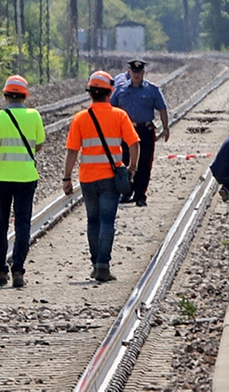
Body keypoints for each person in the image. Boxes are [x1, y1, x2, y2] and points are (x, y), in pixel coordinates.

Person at [62, 70, 140, 282]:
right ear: (110, 92)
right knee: (107, 220)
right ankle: (103, 266)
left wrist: (66, 178)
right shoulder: (120, 115)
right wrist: (132, 167)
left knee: (93, 221)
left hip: (87, 178)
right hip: (110, 178)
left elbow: (72, 150)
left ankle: (95, 263)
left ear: (90, 94)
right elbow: (134, 144)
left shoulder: (79, 118)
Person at [0, 75, 46, 288]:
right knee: (23, 223)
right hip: (26, 177)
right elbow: (39, 146)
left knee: (1, 224)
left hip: (2, 177)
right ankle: (18, 270)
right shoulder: (34, 116)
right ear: (25, 96)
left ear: (5, 95)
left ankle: (0, 270)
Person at [109, 58, 170, 206]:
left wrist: (165, 127)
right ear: (129, 72)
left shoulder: (152, 89)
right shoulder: (121, 89)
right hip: (126, 130)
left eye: (139, 72)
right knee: (124, 161)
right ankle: (126, 192)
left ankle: (140, 194)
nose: (136, 75)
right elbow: (111, 109)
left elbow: (162, 108)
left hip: (145, 130)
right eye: (134, 72)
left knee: (144, 163)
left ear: (143, 72)